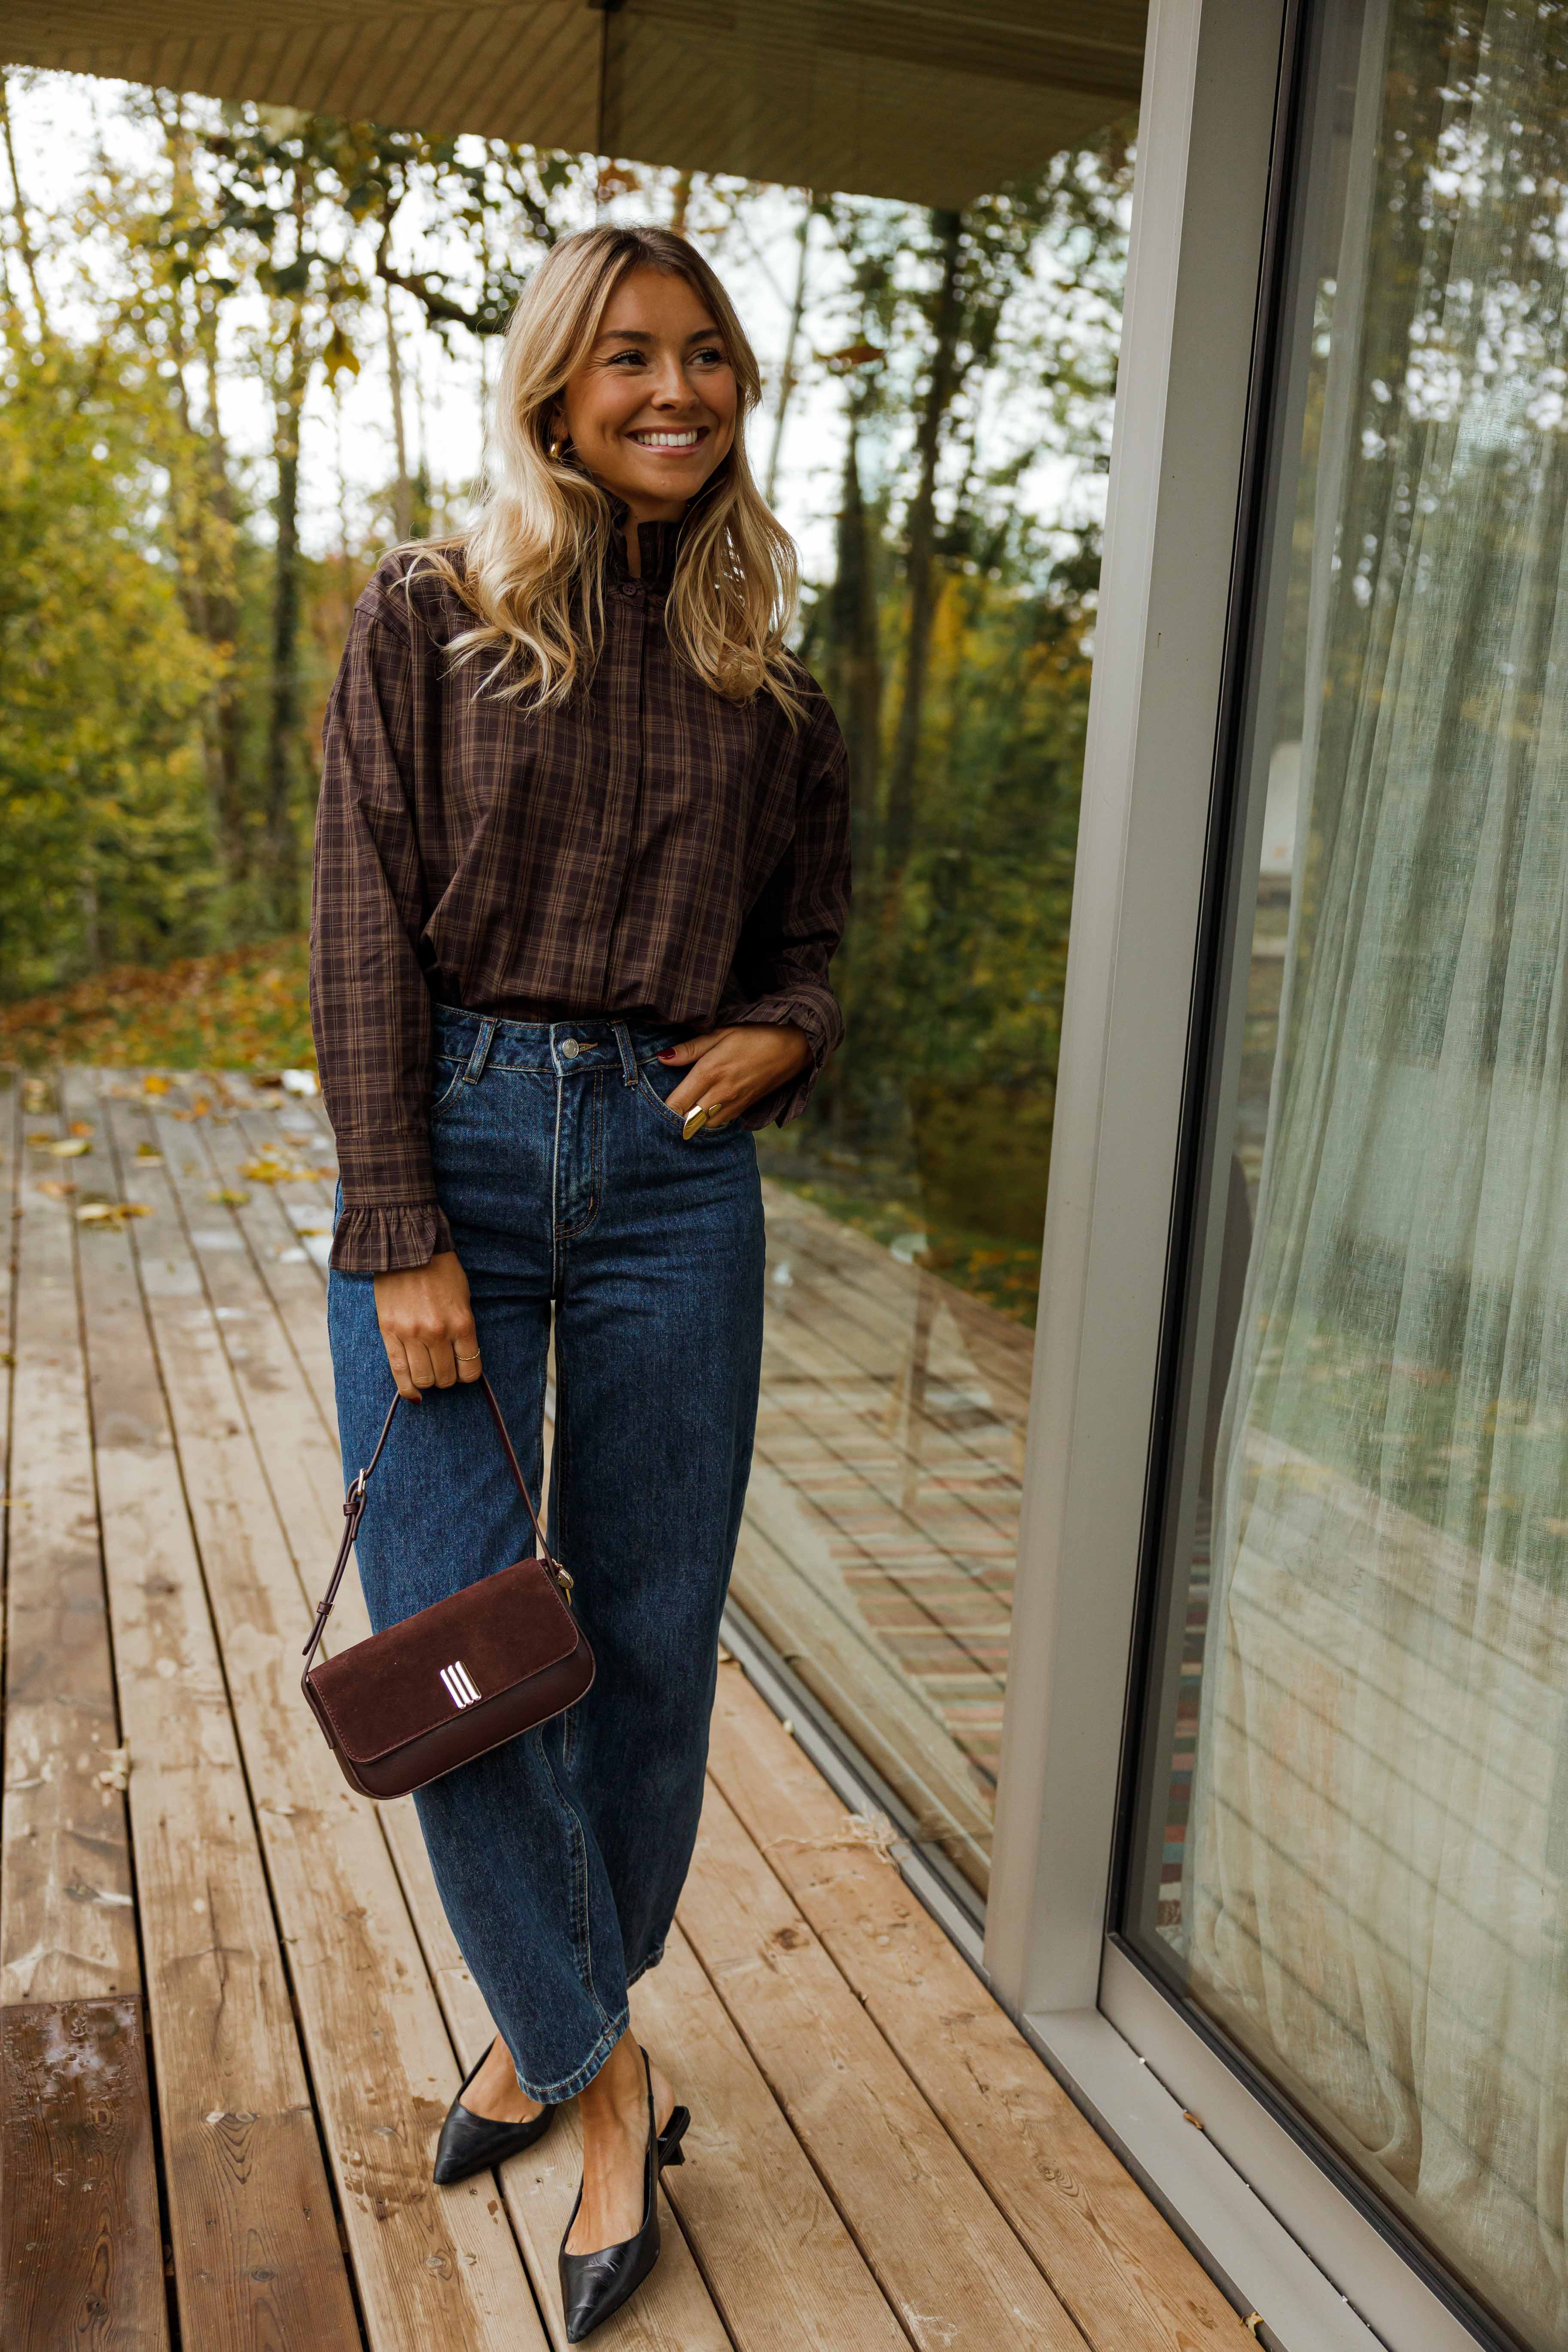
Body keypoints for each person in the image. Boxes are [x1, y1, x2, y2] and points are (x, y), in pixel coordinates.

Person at [309, 223, 850, 2342]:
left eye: (706, 356)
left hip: (671, 1173)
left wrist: (795, 1033)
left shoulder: (774, 683)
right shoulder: (429, 613)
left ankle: (541, 2033)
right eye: (628, 356)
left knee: (639, 1633)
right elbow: (361, 924)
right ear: (556, 386)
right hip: (452, 1147)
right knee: (454, 1642)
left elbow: (813, 940)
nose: (675, 391)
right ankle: (601, 2067)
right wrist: (397, 1224)